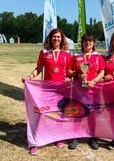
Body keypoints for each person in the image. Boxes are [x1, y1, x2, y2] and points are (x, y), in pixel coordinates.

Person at [23, 28, 71, 156]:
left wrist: (70, 76)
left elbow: (70, 71)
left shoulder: (67, 54)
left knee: (59, 113)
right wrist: (29, 77)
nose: (56, 39)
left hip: (61, 90)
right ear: (50, 38)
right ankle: (36, 142)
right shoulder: (44, 52)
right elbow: (39, 68)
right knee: (42, 113)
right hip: (47, 89)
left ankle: (58, 137)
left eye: (59, 37)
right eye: (54, 37)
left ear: (62, 39)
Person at [67, 33, 105, 150]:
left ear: (93, 43)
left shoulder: (98, 56)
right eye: (85, 41)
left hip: (94, 89)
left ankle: (92, 137)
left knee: (93, 113)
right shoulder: (76, 56)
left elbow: (102, 71)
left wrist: (94, 81)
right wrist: (77, 74)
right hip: (79, 89)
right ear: (82, 43)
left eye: (90, 41)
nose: (87, 43)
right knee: (77, 112)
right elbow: (69, 70)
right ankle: (75, 136)